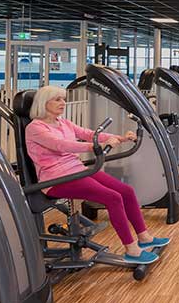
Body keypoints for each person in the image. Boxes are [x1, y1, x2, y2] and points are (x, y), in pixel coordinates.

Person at [25, 85, 169, 265]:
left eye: (63, 99)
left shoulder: (63, 122)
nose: (63, 102)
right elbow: (60, 145)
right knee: (113, 197)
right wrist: (95, 147)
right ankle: (132, 250)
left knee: (126, 191)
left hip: (77, 170)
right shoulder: (35, 128)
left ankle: (144, 238)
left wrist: (120, 138)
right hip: (56, 179)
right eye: (57, 99)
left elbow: (88, 134)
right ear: (43, 103)